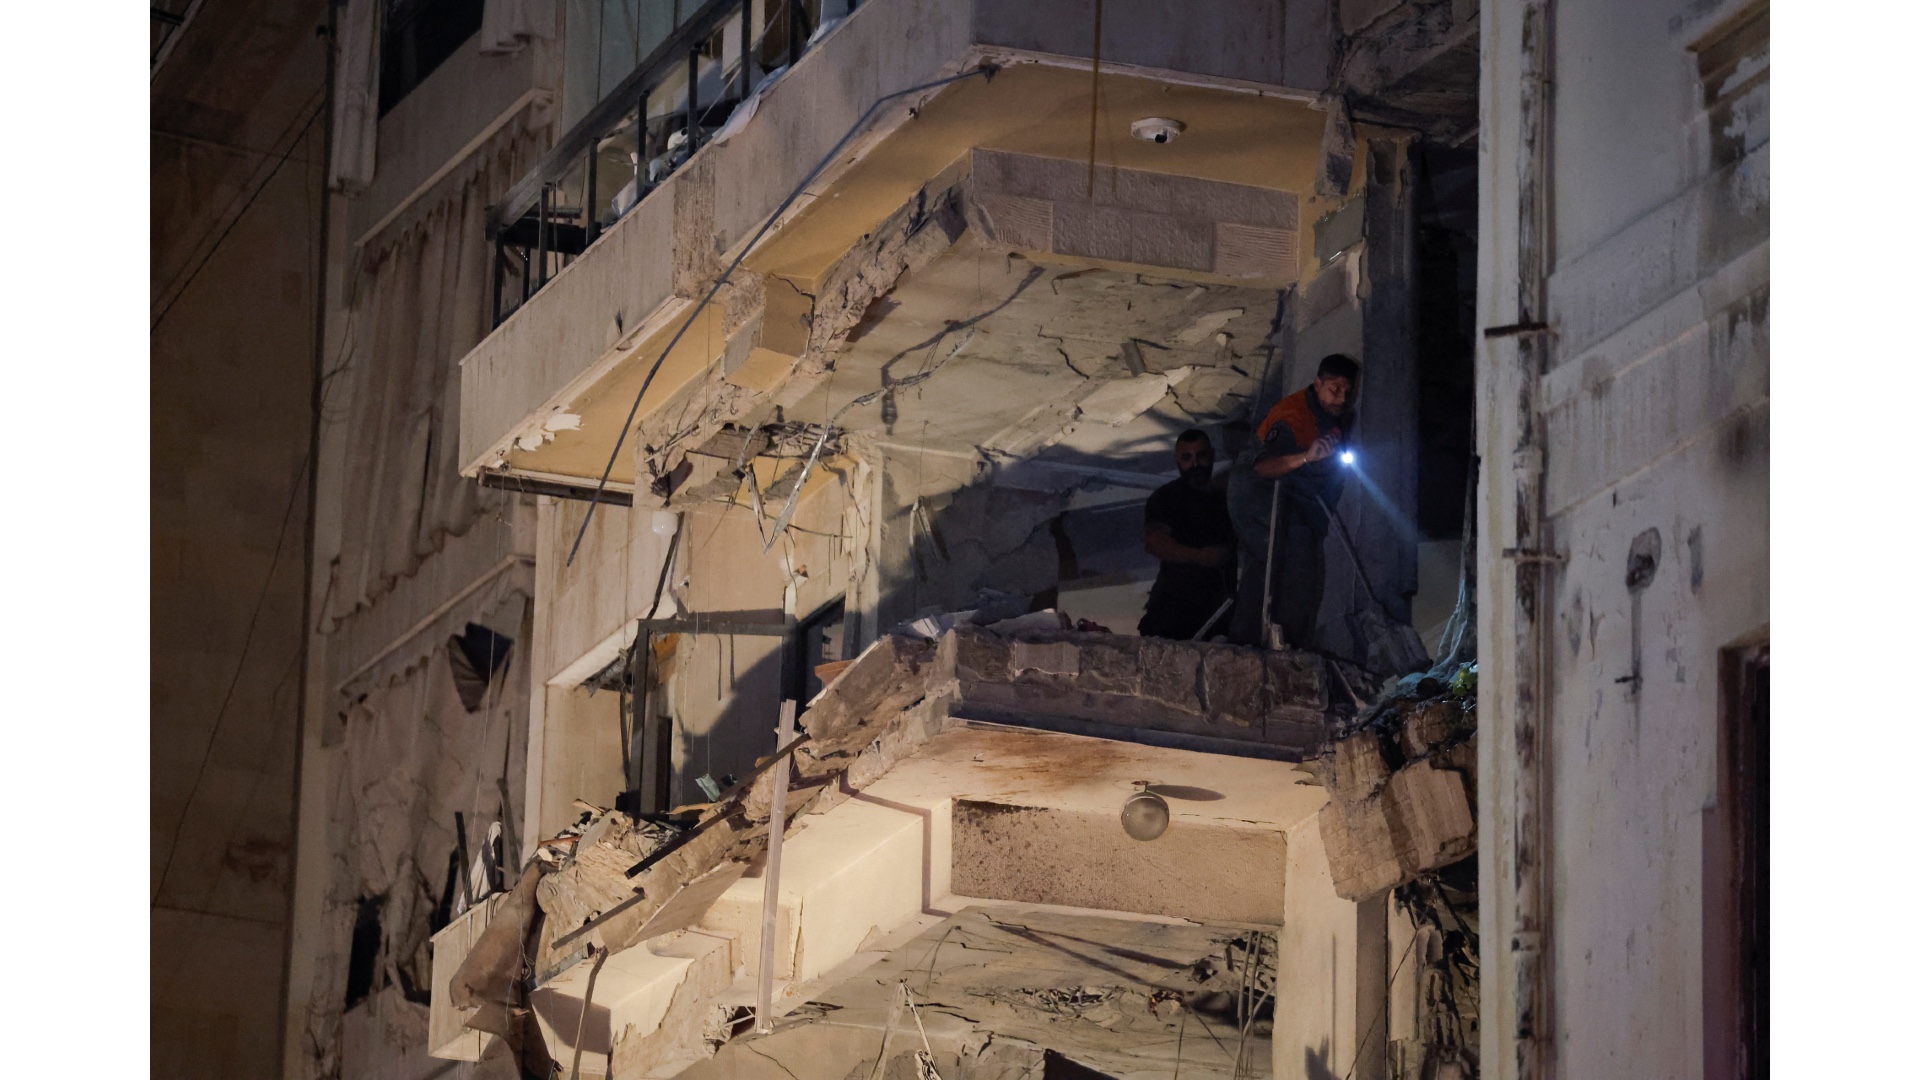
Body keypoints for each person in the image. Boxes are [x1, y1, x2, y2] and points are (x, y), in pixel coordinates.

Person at [1227, 354, 1359, 648]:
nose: (1341, 398)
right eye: (1334, 390)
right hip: (1257, 491)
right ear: (1317, 384)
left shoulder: (1338, 416)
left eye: (1347, 391)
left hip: (1296, 497)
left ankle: (1293, 643)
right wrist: (1305, 457)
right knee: (1277, 559)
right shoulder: (1293, 418)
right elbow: (1262, 468)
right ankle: (1248, 642)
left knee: (1306, 568)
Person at [1139, 430, 1237, 639]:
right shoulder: (1165, 498)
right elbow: (1155, 543)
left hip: (1219, 607)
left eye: (1201, 456)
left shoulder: (1225, 497)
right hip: (1174, 609)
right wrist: (1201, 556)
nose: (1195, 464)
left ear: (1212, 455)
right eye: (1187, 458)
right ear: (1177, 461)